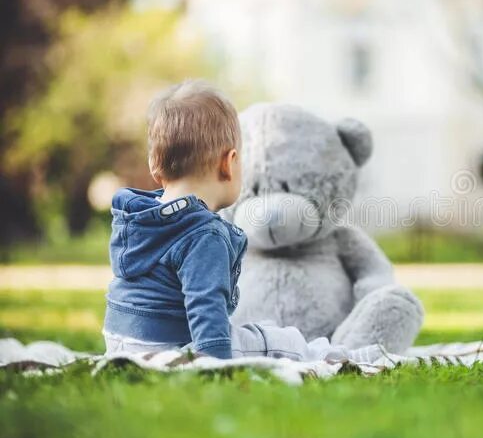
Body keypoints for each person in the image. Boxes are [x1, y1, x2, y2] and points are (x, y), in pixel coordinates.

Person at [102, 79, 379, 362]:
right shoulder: (203, 234)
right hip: (173, 343)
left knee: (255, 332)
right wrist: (215, 362)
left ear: (153, 163)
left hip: (120, 339)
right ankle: (347, 356)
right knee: (280, 340)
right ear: (229, 163)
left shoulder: (136, 217)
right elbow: (205, 306)